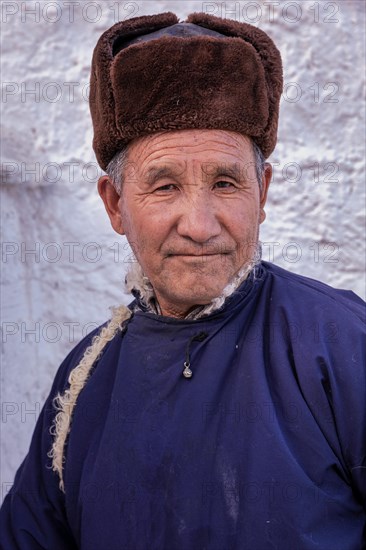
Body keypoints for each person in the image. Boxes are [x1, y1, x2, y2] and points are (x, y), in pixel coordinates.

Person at [1, 11, 365, 550]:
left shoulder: (342, 346)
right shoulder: (84, 382)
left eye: (225, 182)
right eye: (165, 186)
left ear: (261, 194)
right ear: (115, 204)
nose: (197, 226)